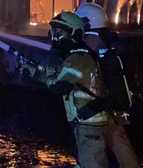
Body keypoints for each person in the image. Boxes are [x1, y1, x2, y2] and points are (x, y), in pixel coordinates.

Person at [36, 11, 139, 168]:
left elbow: (59, 87)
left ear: (74, 32)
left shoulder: (77, 58)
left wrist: (48, 70)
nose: (55, 37)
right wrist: (38, 73)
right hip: (110, 116)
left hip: (90, 125)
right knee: (128, 161)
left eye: (59, 33)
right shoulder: (96, 52)